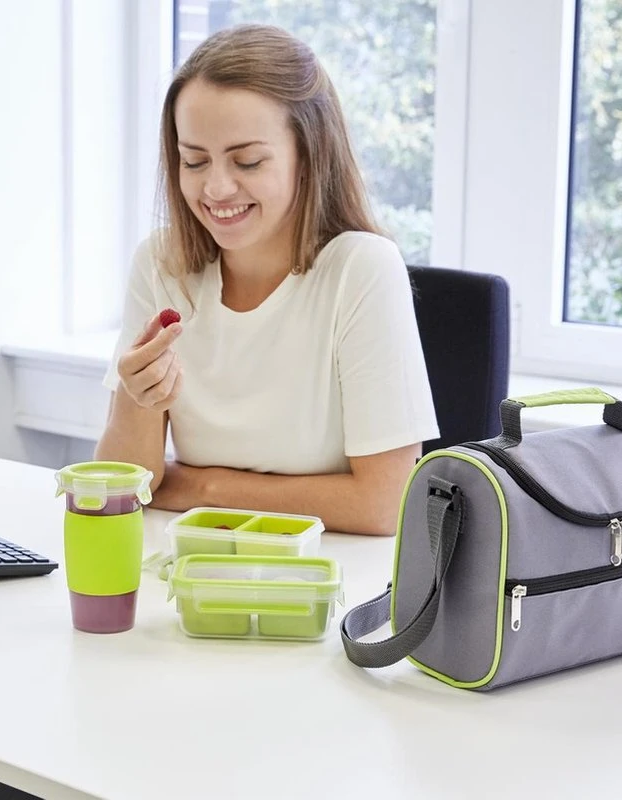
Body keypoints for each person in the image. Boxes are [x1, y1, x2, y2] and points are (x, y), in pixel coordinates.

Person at [94, 24, 439, 536]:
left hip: (330, 570)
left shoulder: (361, 268)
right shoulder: (162, 264)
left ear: (309, 153)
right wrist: (136, 395)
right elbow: (118, 491)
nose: (216, 187)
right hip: (195, 563)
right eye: (194, 160)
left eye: (248, 161)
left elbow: (384, 504)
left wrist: (204, 488)